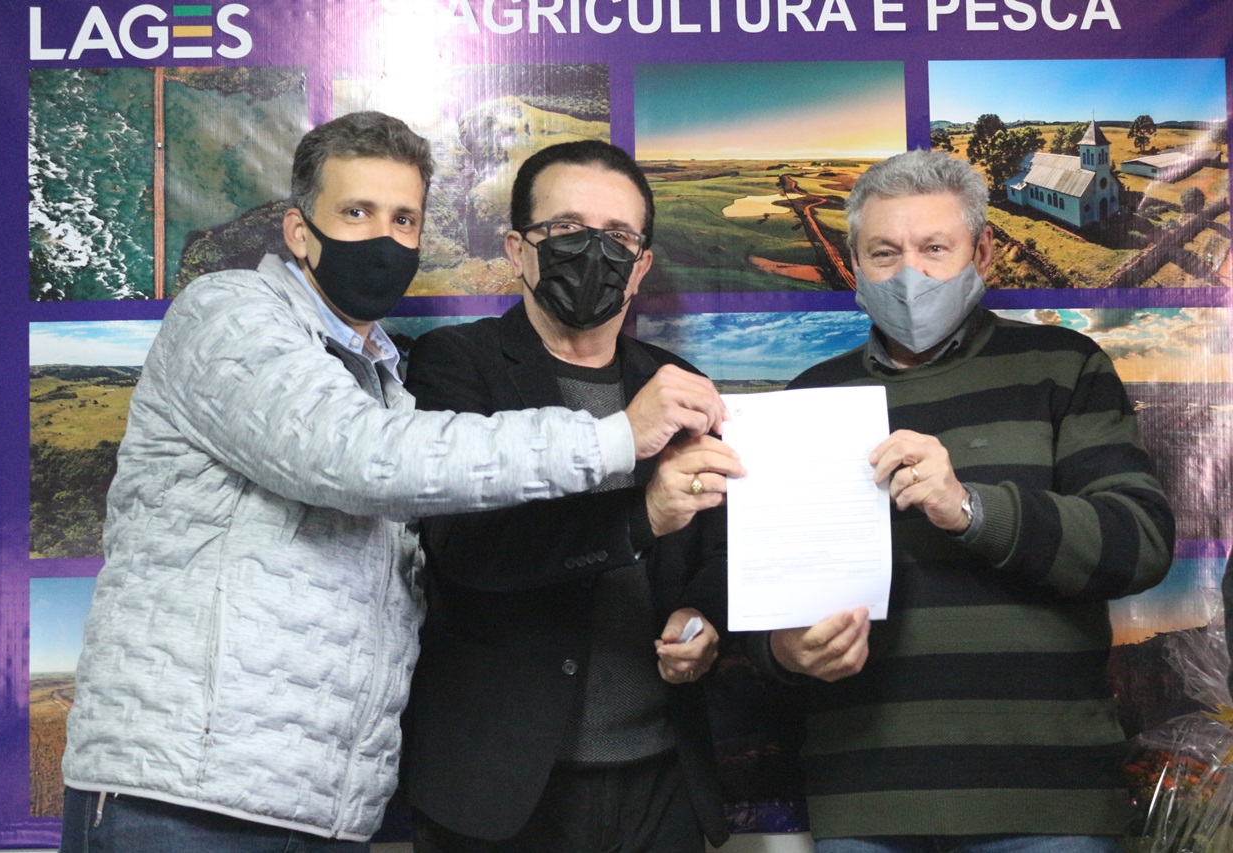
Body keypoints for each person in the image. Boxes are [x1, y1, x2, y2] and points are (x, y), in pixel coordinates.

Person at [58, 113, 729, 853]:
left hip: (322, 800)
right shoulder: (230, 314)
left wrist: (705, 610)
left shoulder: (381, 377)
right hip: (188, 790)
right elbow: (362, 459)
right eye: (356, 211)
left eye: (404, 219)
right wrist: (617, 442)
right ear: (299, 230)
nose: (382, 239)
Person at [750, 149, 1175, 853]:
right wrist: (781, 649)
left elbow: (1141, 541)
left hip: (1050, 803)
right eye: (884, 252)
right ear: (855, 263)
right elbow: (762, 585)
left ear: (981, 253)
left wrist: (973, 509)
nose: (908, 273)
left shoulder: (1065, 367)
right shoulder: (811, 397)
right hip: (868, 803)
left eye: (934, 248)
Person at [398, 140, 743, 852]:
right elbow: (465, 548)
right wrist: (641, 515)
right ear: (517, 249)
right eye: (566, 230)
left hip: (662, 785)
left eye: (618, 237)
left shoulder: (676, 381)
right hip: (502, 791)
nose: (593, 253)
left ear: (641, 265)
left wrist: (704, 615)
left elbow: (721, 545)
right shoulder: (455, 367)